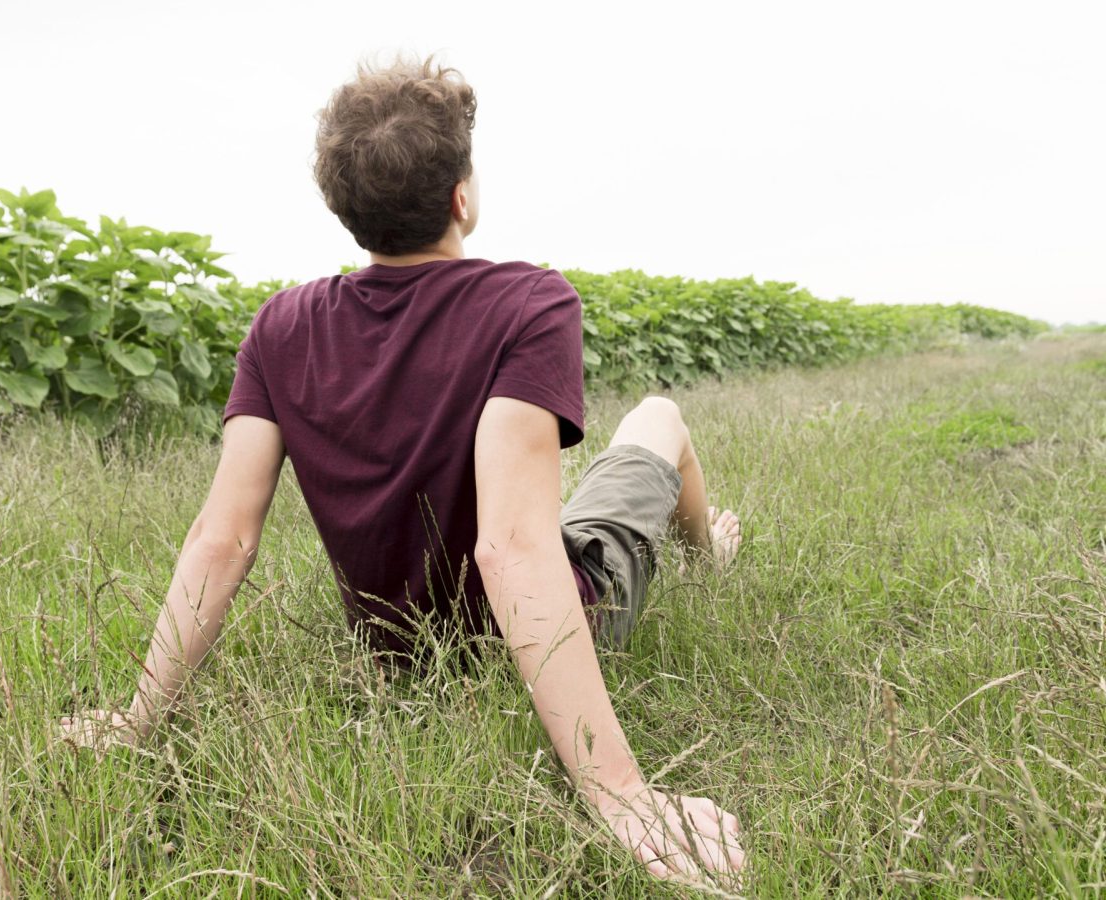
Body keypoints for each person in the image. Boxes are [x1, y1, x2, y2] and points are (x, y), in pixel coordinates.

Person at [60, 52, 745, 888]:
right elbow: (514, 548)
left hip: (404, 659)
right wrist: (623, 797)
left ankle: (711, 547)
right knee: (659, 419)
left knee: (567, 505)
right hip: (559, 620)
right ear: (464, 197)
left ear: (348, 212)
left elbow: (222, 538)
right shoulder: (530, 303)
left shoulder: (280, 326)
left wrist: (138, 719)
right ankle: (711, 547)